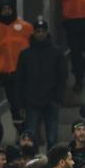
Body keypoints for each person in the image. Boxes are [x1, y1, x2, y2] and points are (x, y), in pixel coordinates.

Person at [15, 18, 67, 147]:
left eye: (43, 31)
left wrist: (58, 98)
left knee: (52, 138)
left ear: (46, 32)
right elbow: (20, 79)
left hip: (51, 99)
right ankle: (33, 165)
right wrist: (21, 103)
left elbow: (62, 76)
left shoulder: (57, 52)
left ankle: (52, 164)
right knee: (31, 139)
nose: (40, 34)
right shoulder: (25, 54)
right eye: (37, 31)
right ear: (33, 33)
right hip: (31, 101)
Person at [0, 0, 33, 132]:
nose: (6, 11)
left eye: (9, 8)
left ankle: (31, 130)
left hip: (25, 72)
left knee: (26, 102)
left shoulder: (26, 27)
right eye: (4, 9)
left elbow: (33, 48)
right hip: (6, 74)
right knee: (14, 104)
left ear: (13, 10)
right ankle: (20, 131)